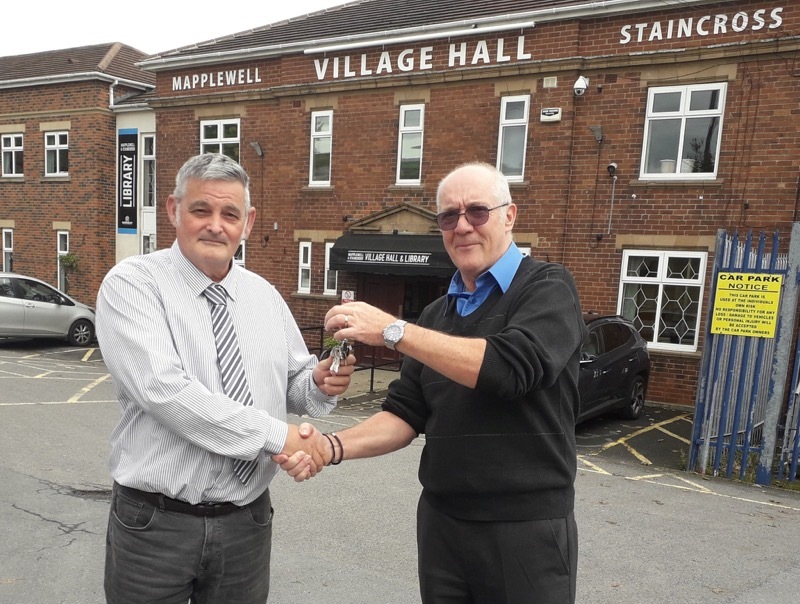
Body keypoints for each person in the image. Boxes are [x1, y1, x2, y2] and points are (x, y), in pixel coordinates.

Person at [277, 161, 587, 603]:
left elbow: (508, 368)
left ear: (510, 216)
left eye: (477, 211)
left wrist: (391, 330)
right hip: (443, 525)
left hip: (524, 530)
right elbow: (405, 413)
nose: (462, 226)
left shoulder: (548, 287)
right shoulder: (437, 315)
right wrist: (330, 447)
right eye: (448, 216)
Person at [96, 153, 354, 603]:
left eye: (229, 214)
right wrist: (282, 438)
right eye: (201, 210)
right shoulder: (132, 284)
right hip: (156, 525)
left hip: (245, 524)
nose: (216, 225)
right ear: (175, 211)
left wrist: (317, 382)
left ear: (248, 223)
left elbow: (291, 385)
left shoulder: (265, 296)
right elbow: (166, 392)